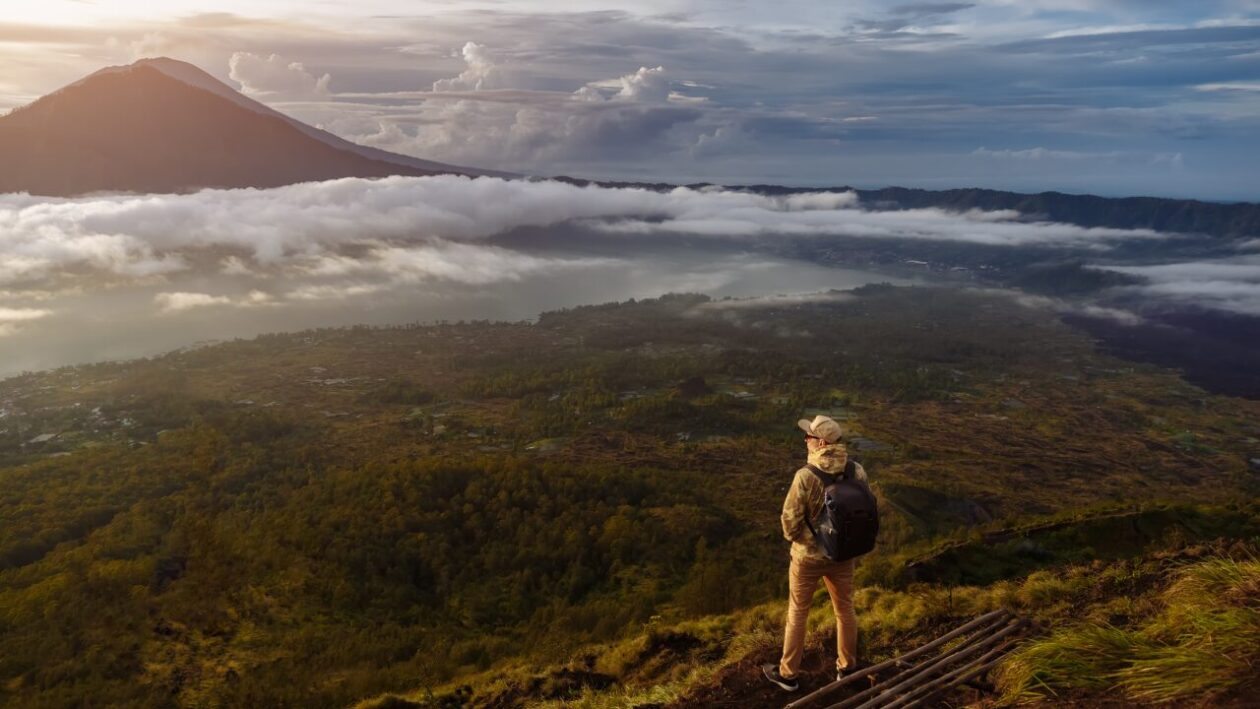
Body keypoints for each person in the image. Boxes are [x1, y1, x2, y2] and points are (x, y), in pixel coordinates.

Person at [763, 414, 868, 692]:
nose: (805, 440)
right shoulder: (856, 471)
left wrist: (803, 542)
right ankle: (847, 669)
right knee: (845, 610)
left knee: (798, 612)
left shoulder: (806, 476)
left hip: (807, 558)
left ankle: (788, 675)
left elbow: (789, 521)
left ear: (820, 442)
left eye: (808, 436)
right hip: (843, 555)